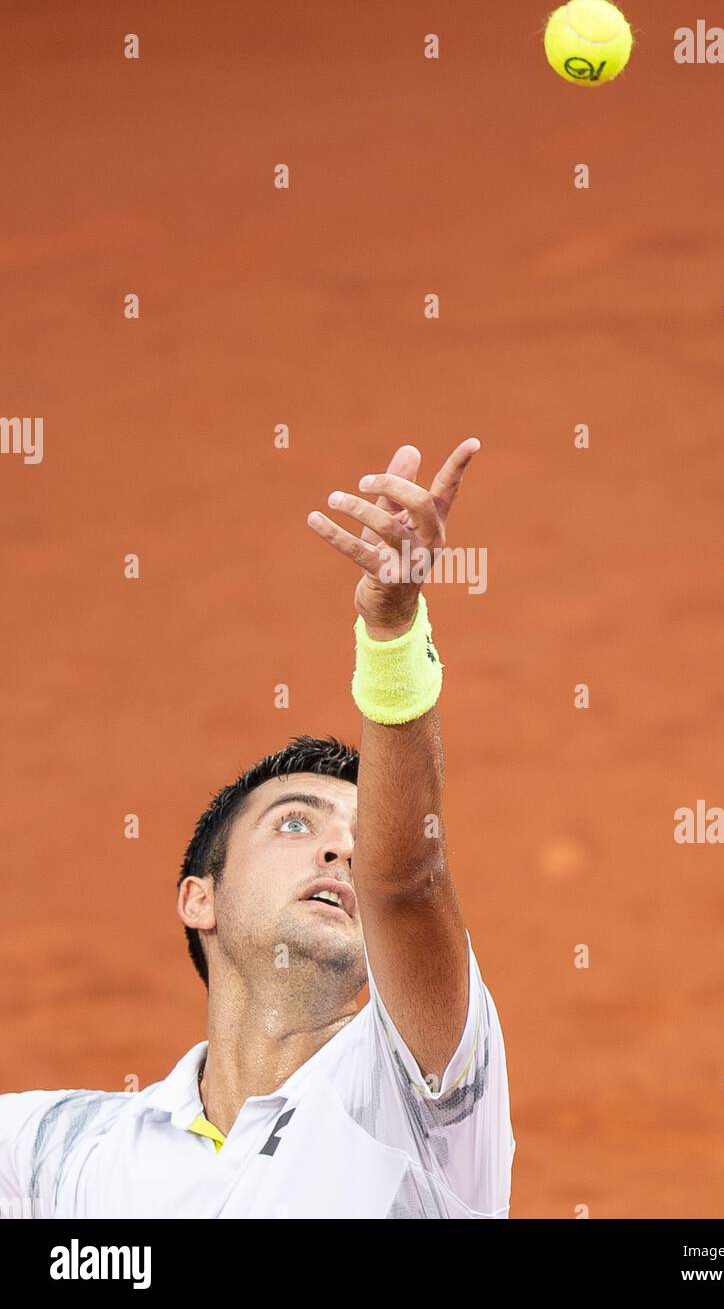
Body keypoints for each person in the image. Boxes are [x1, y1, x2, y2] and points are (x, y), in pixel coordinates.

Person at [0, 438, 515, 1218]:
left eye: (359, 833)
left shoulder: (419, 1110)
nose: (343, 847)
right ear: (199, 898)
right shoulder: (67, 1157)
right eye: (295, 821)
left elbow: (407, 882)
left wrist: (393, 635)